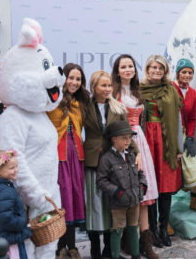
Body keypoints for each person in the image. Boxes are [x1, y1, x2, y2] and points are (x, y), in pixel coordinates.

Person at [84, 70, 140, 259]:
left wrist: (136, 152)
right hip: (92, 160)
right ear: (94, 87)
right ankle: (94, 249)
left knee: (111, 207)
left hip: (113, 162)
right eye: (103, 85)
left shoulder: (118, 108)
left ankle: (109, 249)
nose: (107, 89)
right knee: (93, 207)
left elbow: (127, 132)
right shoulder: (85, 106)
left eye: (109, 85)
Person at [111, 54, 159, 259]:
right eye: (123, 67)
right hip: (125, 143)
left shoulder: (138, 90)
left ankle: (145, 243)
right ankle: (127, 242)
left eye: (130, 66)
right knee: (128, 192)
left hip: (140, 140)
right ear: (117, 70)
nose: (128, 69)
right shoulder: (114, 92)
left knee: (144, 195)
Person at [47, 63, 90, 259]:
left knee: (74, 198)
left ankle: (72, 246)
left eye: (78, 79)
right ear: (63, 79)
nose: (74, 82)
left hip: (77, 156)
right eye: (71, 78)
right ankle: (60, 247)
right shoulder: (52, 100)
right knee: (62, 199)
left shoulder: (81, 102)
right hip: (58, 155)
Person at [140, 55, 182, 248]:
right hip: (147, 141)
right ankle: (153, 232)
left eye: (160, 68)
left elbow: (178, 120)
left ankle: (164, 228)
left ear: (165, 71)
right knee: (150, 187)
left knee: (166, 188)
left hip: (167, 143)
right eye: (153, 67)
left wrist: (179, 148)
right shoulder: (139, 90)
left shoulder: (171, 90)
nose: (156, 71)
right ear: (148, 69)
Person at [96, 121, 147, 259]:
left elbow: (140, 173)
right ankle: (115, 256)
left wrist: (142, 187)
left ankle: (136, 256)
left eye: (130, 138)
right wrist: (118, 193)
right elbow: (101, 181)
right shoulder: (106, 158)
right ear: (114, 139)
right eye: (124, 138)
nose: (128, 141)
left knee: (133, 228)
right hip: (118, 203)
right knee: (117, 230)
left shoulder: (131, 155)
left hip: (135, 199)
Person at [173, 59, 196, 214]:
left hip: (185, 135)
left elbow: (193, 118)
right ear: (178, 73)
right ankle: (165, 216)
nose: (187, 75)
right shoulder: (170, 89)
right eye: (184, 72)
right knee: (171, 176)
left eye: (190, 72)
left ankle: (194, 201)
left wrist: (190, 137)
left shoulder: (193, 93)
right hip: (170, 136)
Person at [0, 149, 31, 259]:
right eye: (12, 168)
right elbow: (5, 217)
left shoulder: (6, 186)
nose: (16, 170)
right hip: (10, 240)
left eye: (17, 166)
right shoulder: (4, 191)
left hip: (8, 237)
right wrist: (22, 222)